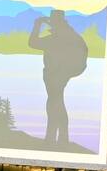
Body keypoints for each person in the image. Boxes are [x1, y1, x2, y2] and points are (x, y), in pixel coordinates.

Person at [26, 9, 89, 146]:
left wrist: (37, 25)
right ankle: (60, 138)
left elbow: (33, 42)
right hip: (60, 73)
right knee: (56, 102)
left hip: (56, 74)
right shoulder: (71, 34)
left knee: (54, 103)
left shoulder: (58, 37)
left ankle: (53, 138)